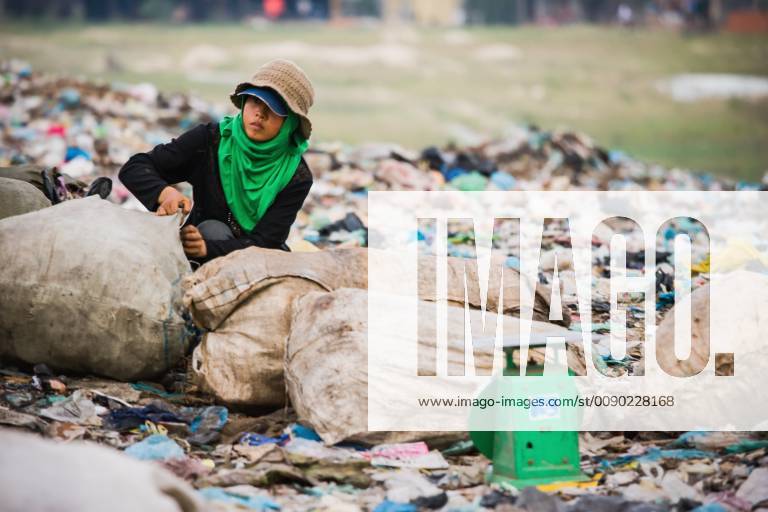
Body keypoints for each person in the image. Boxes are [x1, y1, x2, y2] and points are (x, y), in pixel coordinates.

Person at [119, 59, 314, 263]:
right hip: (197, 252)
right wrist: (164, 193)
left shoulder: (296, 175)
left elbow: (267, 241)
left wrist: (208, 249)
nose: (260, 113)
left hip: (257, 261)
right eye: (256, 101)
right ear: (245, 101)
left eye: (273, 109)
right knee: (212, 229)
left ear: (290, 122)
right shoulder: (210, 140)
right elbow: (135, 167)